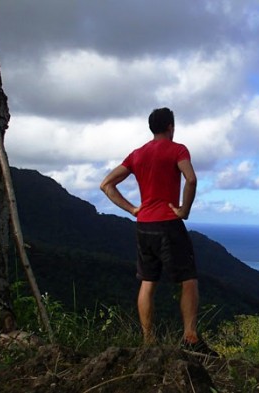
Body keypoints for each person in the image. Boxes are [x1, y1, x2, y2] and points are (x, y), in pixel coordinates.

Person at [100, 107, 214, 355]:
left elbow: (106, 184)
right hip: (168, 224)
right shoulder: (178, 149)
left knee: (148, 282)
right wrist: (184, 210)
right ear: (171, 127)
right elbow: (191, 179)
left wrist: (132, 209)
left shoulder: (137, 154)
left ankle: (148, 342)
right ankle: (190, 337)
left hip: (144, 226)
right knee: (188, 280)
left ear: (152, 128)